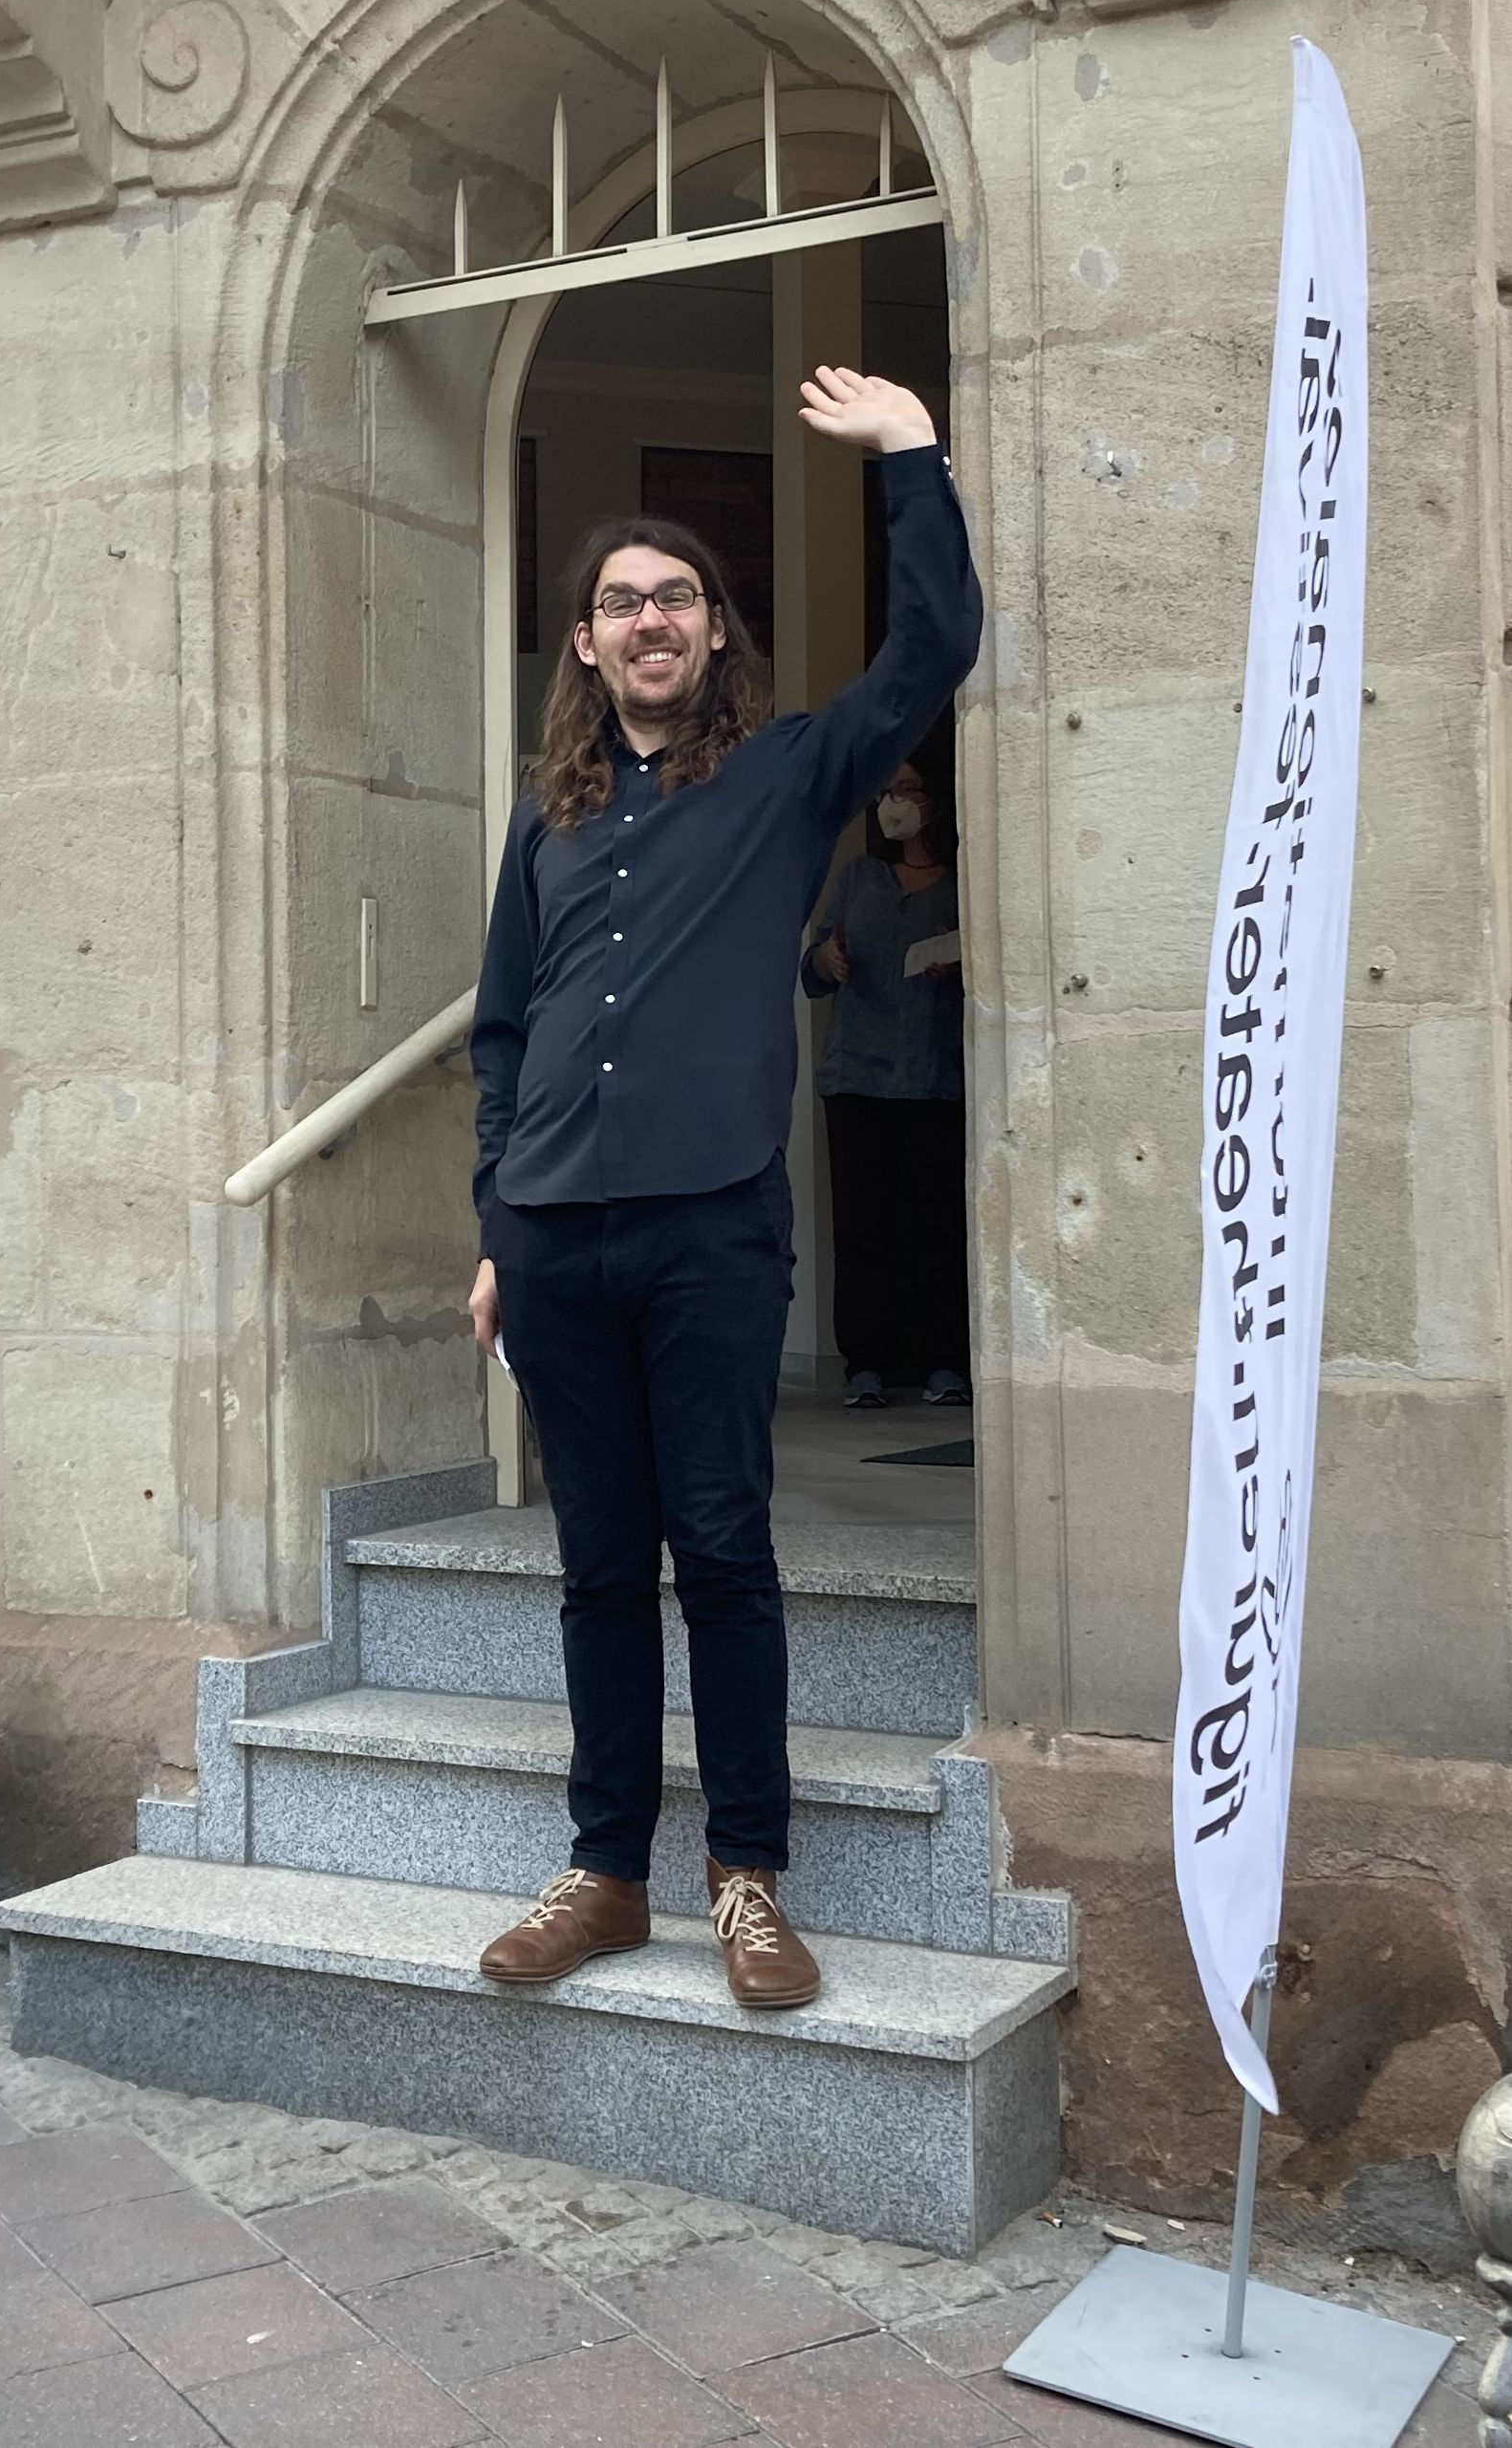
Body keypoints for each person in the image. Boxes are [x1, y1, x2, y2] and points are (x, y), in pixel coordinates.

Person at [465, 366, 981, 2009]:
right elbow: (503, 1026)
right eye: (623, 602)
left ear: (712, 628)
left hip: (710, 1227)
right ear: (585, 642)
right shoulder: (547, 823)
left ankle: (746, 1877)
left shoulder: (789, 772)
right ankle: (606, 1872)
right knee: (598, 1568)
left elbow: (935, 649)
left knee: (724, 1554)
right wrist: (496, 1223)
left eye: (676, 596)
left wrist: (910, 456)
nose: (650, 619)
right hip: (553, 1237)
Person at [802, 753, 970, 1409]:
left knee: (936, 1223)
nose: (890, 804)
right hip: (857, 1074)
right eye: (883, 792)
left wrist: (958, 964)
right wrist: (827, 957)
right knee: (863, 1225)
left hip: (935, 1074)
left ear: (933, 799)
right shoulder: (857, 877)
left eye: (903, 790)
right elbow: (813, 970)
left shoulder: (961, 880)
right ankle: (865, 1364)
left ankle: (943, 1361)